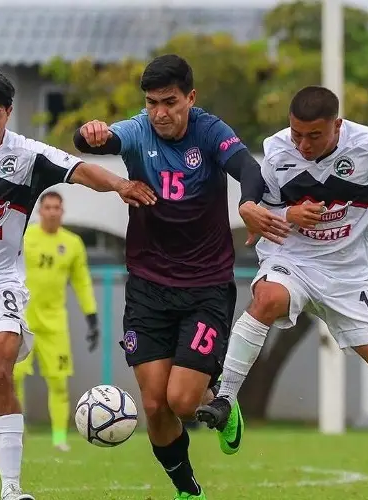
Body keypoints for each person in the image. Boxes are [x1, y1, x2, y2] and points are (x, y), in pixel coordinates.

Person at [0, 65, 155, 500]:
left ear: (9, 112)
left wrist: (120, 184)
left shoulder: (27, 156)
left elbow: (80, 170)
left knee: (0, 371)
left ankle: (11, 487)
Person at [196, 85, 368, 493]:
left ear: (338, 125)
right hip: (293, 260)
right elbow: (263, 212)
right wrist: (288, 214)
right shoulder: (278, 151)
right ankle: (224, 399)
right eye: (297, 133)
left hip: (350, 276)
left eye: (314, 135)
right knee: (269, 298)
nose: (303, 144)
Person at [73, 54, 290, 500]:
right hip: (148, 287)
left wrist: (249, 203)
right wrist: (89, 132)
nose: (160, 113)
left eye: (170, 102)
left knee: (183, 401)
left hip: (205, 288)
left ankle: (224, 407)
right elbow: (97, 141)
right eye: (152, 103)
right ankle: (188, 491)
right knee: (154, 405)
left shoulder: (210, 132)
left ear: (190, 98)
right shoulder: (137, 130)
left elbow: (249, 168)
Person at [13, 190, 100, 452]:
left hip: (55, 323)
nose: (51, 212)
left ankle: (59, 437)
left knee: (59, 382)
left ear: (62, 211)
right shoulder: (25, 238)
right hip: (23, 319)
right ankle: (17, 432)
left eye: (56, 207)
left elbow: (82, 281)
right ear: (40, 211)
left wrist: (91, 316)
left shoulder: (72, 243)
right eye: (47, 207)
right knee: (13, 377)